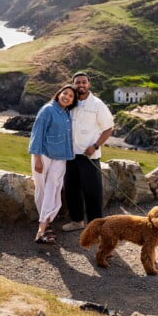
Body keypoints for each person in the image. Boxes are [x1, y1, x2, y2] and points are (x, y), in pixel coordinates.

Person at [61, 72, 114, 232]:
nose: (81, 85)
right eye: (78, 82)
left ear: (88, 84)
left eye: (84, 82)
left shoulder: (97, 104)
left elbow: (108, 128)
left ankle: (95, 227)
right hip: (70, 155)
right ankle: (77, 221)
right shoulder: (70, 103)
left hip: (89, 156)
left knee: (93, 192)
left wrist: (95, 146)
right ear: (73, 84)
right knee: (71, 190)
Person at [28, 84, 77, 244]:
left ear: (72, 101)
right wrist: (37, 158)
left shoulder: (66, 114)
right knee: (42, 189)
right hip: (43, 155)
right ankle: (45, 227)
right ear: (59, 94)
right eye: (65, 93)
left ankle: (43, 227)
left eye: (71, 96)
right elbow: (37, 134)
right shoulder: (47, 109)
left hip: (61, 157)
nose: (67, 97)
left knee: (54, 190)